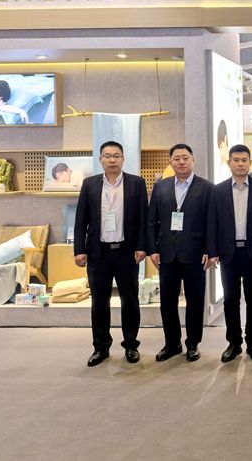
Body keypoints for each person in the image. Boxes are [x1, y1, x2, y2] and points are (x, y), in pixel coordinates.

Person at [73, 141, 148, 367]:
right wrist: (79, 250)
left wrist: (142, 246)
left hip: (127, 252)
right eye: (107, 156)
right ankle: (101, 347)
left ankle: (131, 345)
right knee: (99, 302)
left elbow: (143, 219)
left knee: (130, 300)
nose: (112, 160)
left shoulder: (137, 183)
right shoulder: (89, 184)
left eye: (116, 155)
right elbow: (80, 220)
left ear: (123, 159)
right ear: (100, 160)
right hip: (99, 253)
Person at [147, 144, 215, 363]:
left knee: (195, 301)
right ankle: (172, 343)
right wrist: (153, 249)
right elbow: (152, 221)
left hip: (195, 254)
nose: (181, 162)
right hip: (167, 255)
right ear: (171, 162)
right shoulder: (161, 187)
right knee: (167, 301)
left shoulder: (207, 188)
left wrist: (210, 250)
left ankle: (193, 343)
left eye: (185, 158)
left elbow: (212, 223)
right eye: (176, 158)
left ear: (193, 160)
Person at [207, 144, 252, 362]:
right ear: (229, 162)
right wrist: (212, 251)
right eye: (236, 160)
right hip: (228, 254)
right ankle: (233, 343)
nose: (240, 164)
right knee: (230, 300)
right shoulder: (218, 190)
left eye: (244, 160)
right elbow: (212, 223)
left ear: (250, 163)